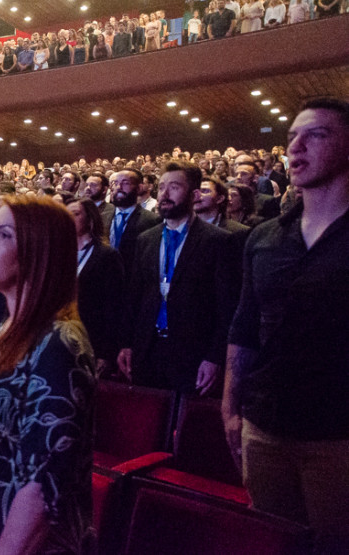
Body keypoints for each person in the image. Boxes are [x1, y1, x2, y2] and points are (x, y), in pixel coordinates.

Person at [223, 98, 349, 552]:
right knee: (273, 542)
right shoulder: (265, 237)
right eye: (292, 136)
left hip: (338, 435)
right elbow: (244, 327)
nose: (295, 146)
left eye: (315, 134)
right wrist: (231, 409)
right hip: (265, 427)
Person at [0, 195, 96, 553]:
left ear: (39, 251)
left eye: (4, 235)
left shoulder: (59, 342)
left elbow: (44, 488)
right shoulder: (10, 328)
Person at [118, 161, 238, 394]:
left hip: (192, 353)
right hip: (148, 349)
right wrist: (126, 344)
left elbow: (227, 307)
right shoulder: (146, 239)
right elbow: (134, 297)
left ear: (193, 195)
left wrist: (214, 357)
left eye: (174, 187)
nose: (164, 194)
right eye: (162, 187)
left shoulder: (219, 241)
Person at [67, 198, 125, 377]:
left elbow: (114, 307)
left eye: (75, 214)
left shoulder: (106, 256)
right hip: (63, 337)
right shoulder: (60, 252)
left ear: (90, 219)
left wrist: (106, 354)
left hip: (92, 338)